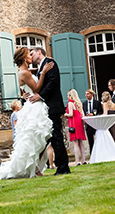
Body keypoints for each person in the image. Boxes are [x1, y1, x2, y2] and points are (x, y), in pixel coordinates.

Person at [0, 47, 54, 182]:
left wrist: (25, 92)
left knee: (41, 139)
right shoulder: (24, 72)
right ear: (25, 58)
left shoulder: (25, 72)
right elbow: (37, 88)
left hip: (35, 105)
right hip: (34, 107)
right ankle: (34, 169)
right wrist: (43, 73)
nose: (31, 57)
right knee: (35, 139)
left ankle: (35, 167)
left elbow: (27, 87)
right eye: (29, 55)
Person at [29, 47, 71, 175]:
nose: (30, 56)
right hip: (45, 108)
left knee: (56, 137)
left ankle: (63, 167)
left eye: (32, 53)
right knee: (51, 138)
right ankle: (53, 167)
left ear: (39, 52)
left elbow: (53, 82)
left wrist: (40, 96)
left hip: (52, 106)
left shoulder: (50, 63)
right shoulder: (41, 67)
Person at [64, 89, 86, 166]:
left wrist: (65, 114)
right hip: (79, 123)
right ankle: (83, 160)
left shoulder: (70, 103)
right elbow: (82, 114)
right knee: (81, 143)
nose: (67, 97)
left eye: (68, 95)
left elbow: (70, 114)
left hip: (73, 124)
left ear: (70, 95)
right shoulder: (78, 103)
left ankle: (77, 161)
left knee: (75, 143)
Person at [82, 89, 103, 155]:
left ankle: (99, 154)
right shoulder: (84, 104)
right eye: (86, 94)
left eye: (88, 94)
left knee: (98, 140)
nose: (86, 95)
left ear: (92, 94)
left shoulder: (97, 103)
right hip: (88, 125)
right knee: (90, 141)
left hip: (96, 124)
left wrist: (93, 115)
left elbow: (101, 112)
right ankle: (92, 155)